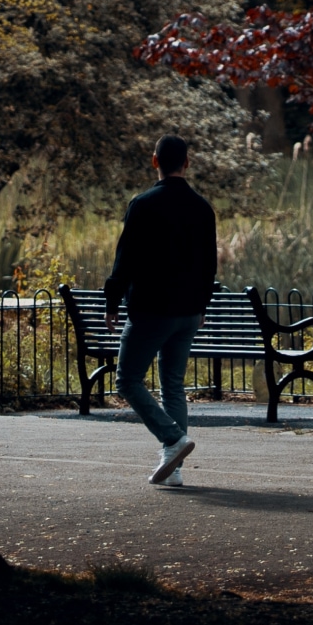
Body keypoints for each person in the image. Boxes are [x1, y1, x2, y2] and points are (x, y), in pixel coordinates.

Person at [102, 135, 217, 487]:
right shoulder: (202, 208)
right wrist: (201, 305)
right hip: (187, 312)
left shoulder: (143, 204)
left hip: (152, 309)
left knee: (127, 379)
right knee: (173, 385)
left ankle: (172, 438)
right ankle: (174, 468)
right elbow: (209, 265)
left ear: (155, 161)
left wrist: (112, 302)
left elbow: (126, 260)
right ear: (188, 162)